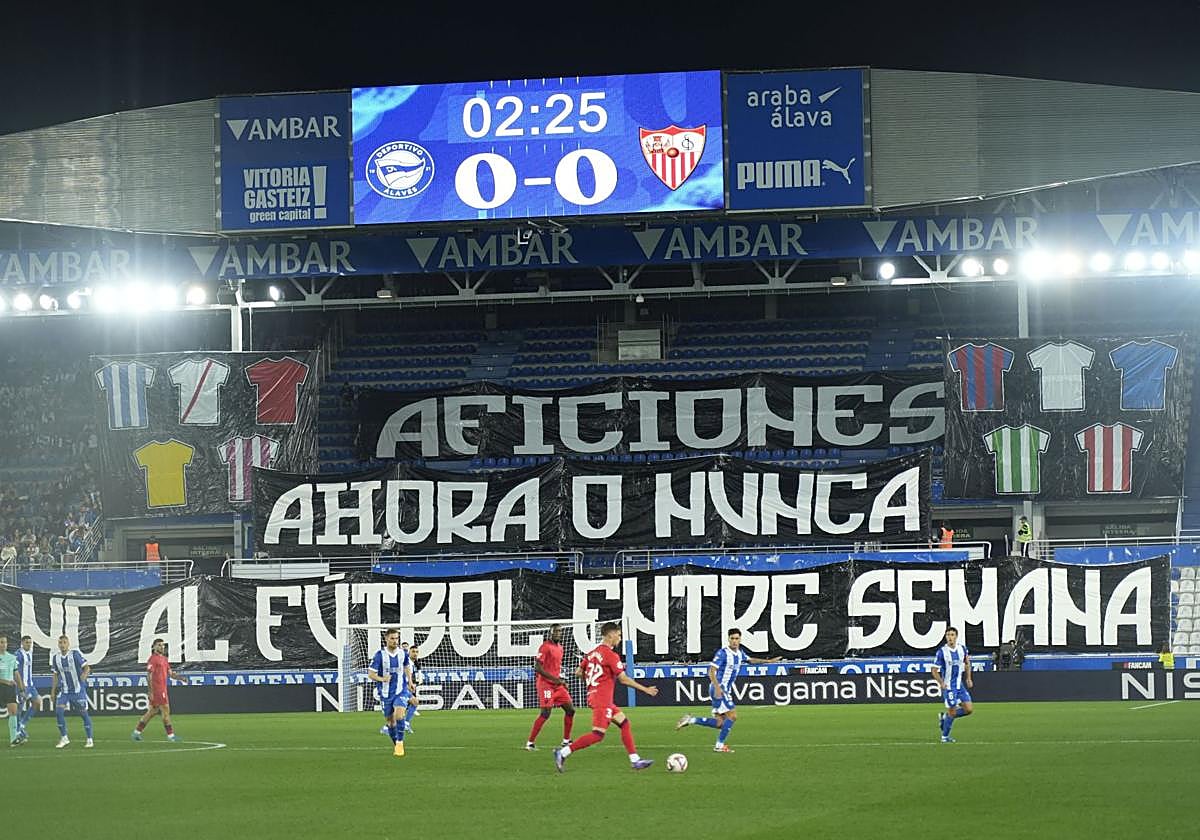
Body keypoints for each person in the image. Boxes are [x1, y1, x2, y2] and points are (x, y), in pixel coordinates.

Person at [554, 621, 658, 773]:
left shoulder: (591, 654)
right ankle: (563, 752)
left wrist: (592, 681)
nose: (620, 638)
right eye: (619, 635)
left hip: (596, 697)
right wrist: (645, 689)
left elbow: (578, 672)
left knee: (624, 723)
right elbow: (623, 679)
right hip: (602, 699)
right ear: (611, 635)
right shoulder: (611, 655)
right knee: (597, 734)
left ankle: (635, 760)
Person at [676, 628, 781, 752]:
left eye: (737, 638)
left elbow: (750, 660)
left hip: (723, 689)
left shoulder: (740, 653)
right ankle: (719, 746)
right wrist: (717, 687)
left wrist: (768, 661)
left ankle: (691, 720)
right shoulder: (723, 653)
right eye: (732, 638)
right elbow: (711, 671)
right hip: (720, 688)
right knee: (732, 716)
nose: (735, 641)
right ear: (728, 639)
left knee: (720, 723)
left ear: (740, 639)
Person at [526, 624, 576, 751]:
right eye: (556, 631)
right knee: (546, 713)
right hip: (546, 685)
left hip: (557, 686)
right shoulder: (545, 647)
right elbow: (537, 668)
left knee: (570, 710)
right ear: (550, 633)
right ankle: (530, 743)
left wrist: (560, 681)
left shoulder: (560, 648)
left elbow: (554, 668)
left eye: (560, 631)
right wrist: (557, 680)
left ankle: (566, 741)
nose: (558, 633)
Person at [368, 629, 414, 758]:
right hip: (386, 693)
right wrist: (382, 679)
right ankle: (396, 744)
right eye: (392, 638)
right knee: (390, 722)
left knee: (399, 715)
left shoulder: (403, 653)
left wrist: (410, 681)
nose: (395, 641)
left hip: (401, 690)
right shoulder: (379, 655)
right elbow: (371, 674)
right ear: (386, 639)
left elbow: (406, 666)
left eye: (397, 638)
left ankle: (400, 743)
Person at [132, 638, 187, 742]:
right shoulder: (153, 659)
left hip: (162, 689)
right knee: (165, 711)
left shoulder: (164, 659)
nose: (162, 647)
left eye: (163, 645)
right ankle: (171, 736)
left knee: (152, 712)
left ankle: (136, 732)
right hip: (158, 690)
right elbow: (149, 676)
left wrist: (181, 678)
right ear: (154, 647)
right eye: (159, 645)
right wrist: (151, 691)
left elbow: (170, 674)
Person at [49, 634, 93, 749]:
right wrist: (53, 691)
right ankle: (64, 738)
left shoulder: (75, 655)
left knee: (83, 714)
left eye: (64, 642)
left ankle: (89, 739)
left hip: (78, 690)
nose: (62, 645)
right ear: (58, 644)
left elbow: (87, 667)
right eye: (60, 643)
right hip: (65, 691)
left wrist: (84, 674)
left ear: (68, 644)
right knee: (59, 711)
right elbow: (55, 675)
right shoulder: (55, 658)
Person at [932, 627, 974, 743]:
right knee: (953, 711)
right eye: (948, 635)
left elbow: (967, 663)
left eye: (952, 635)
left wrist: (969, 678)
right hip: (949, 686)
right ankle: (945, 737)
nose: (950, 637)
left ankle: (945, 718)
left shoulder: (962, 649)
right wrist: (941, 683)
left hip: (959, 685)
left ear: (956, 636)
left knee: (969, 709)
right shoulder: (942, 652)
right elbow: (934, 670)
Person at [0, 635, 25, 747]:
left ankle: (13, 739)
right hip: (3, 685)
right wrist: (6, 681)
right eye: (1, 642)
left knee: (13, 712)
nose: (3, 644)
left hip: (9, 688)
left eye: (5, 642)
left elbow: (16, 674)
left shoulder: (11, 657)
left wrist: (21, 689)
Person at [14, 635, 37, 743]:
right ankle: (18, 732)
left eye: (30, 642)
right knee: (19, 709)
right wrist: (21, 687)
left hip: (30, 685)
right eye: (27, 642)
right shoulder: (18, 654)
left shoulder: (30, 653)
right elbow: (15, 671)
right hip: (22, 686)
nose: (29, 644)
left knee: (37, 702)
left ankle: (22, 724)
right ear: (22, 643)